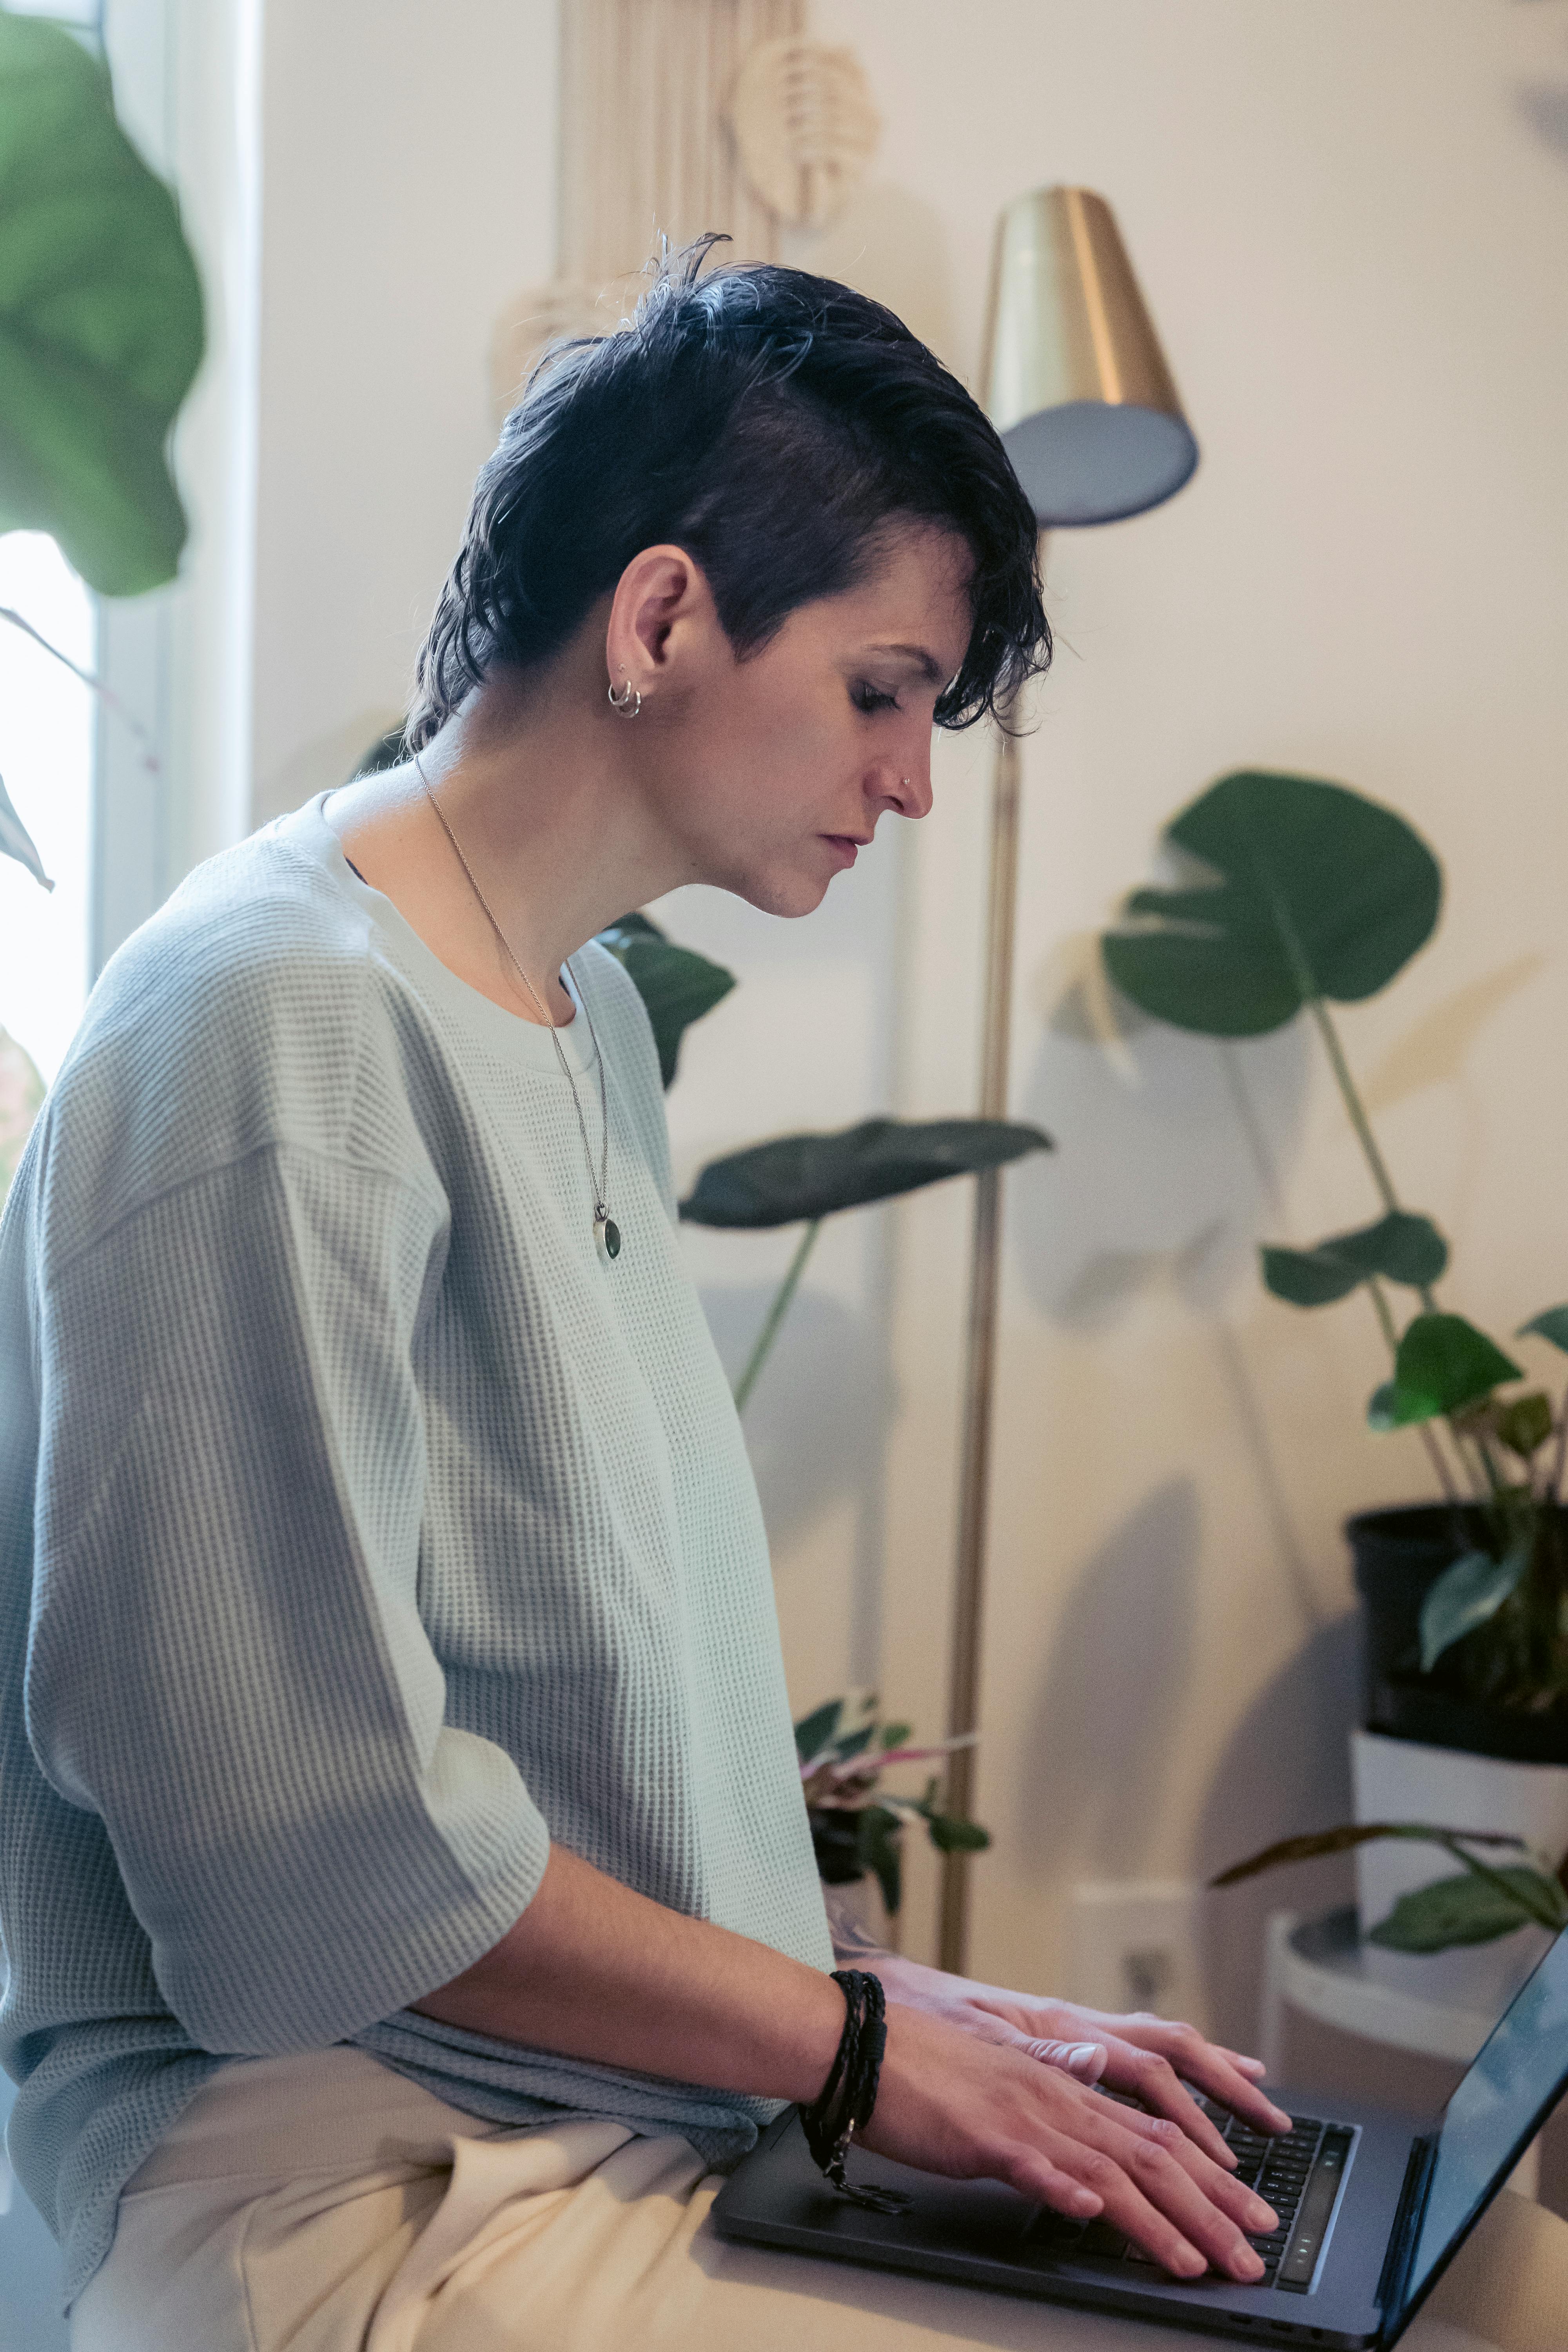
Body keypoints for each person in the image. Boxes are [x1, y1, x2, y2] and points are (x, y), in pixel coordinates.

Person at [2, 245, 1292, 2351]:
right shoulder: (273, 1039)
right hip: (351, 2178)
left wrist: (883, 2006)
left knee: (1413, 2275)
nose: (912, 780)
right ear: (667, 614)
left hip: (608, 2107)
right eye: (883, 689)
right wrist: (853, 2048)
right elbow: (308, 1869)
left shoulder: (573, 1009)